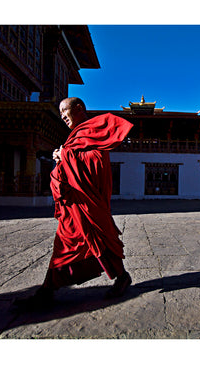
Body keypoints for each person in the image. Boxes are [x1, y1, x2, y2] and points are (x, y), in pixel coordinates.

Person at [14, 97, 133, 310]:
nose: (61, 116)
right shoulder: (76, 136)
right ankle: (48, 289)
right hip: (74, 203)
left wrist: (65, 155)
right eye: (60, 112)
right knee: (67, 242)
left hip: (87, 200)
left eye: (64, 110)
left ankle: (121, 277)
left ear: (78, 108)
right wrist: (62, 156)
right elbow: (79, 157)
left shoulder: (92, 129)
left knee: (98, 238)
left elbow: (97, 158)